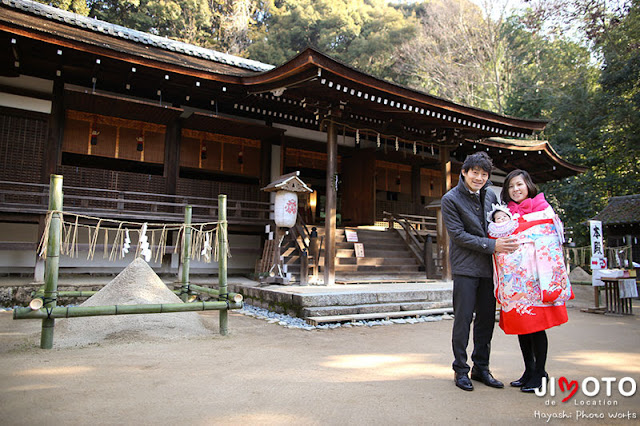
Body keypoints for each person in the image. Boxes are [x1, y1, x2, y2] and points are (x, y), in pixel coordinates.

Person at [441, 152, 519, 392]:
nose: (479, 178)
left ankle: (481, 368)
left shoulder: (490, 195)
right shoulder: (450, 199)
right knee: (463, 320)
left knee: (486, 320)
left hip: (488, 267)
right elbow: (458, 235)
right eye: (475, 172)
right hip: (465, 267)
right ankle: (460, 369)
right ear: (464, 172)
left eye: (484, 174)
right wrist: (492, 245)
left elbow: (497, 223)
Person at [493, 169, 572, 393]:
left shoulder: (543, 209)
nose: (515, 189)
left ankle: (540, 372)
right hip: (517, 283)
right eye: (510, 186)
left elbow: (551, 239)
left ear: (528, 185)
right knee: (522, 328)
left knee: (537, 327)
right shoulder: (504, 214)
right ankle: (529, 370)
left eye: (519, 184)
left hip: (537, 280)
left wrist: (523, 236)